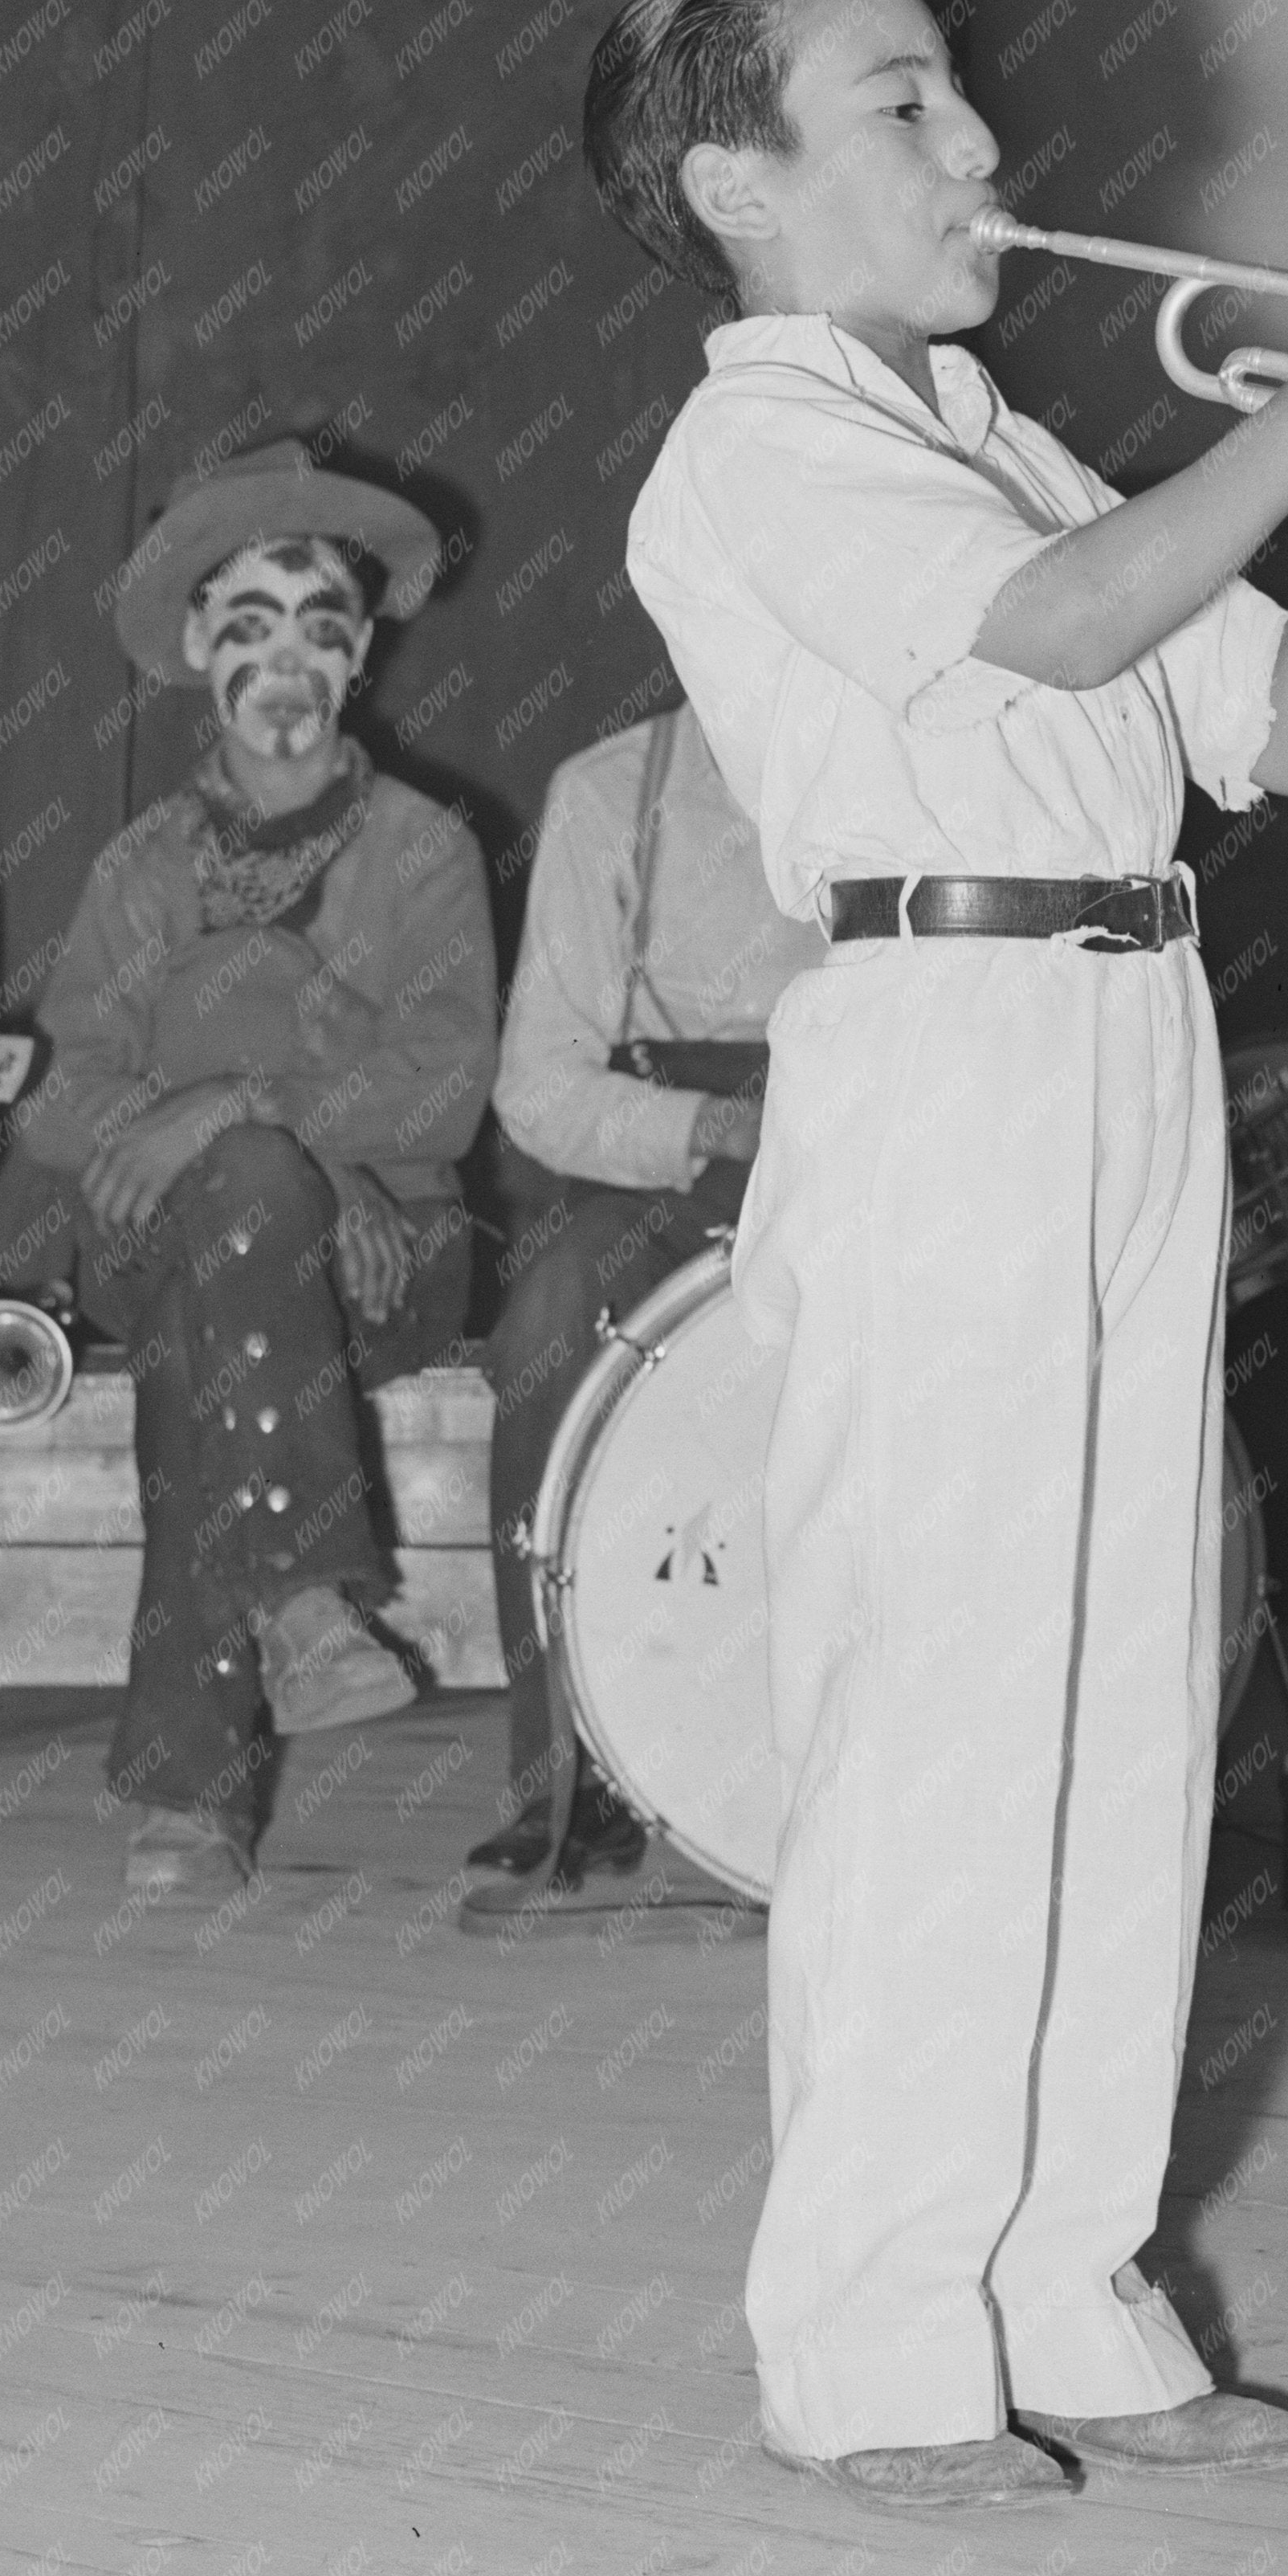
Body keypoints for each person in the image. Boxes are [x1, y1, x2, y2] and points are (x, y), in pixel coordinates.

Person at [594, 0, 1288, 2513]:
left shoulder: (978, 415)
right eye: (900, 107)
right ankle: (869, 2339)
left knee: (1119, 1708)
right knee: (940, 1732)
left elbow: (1281, 732)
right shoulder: (756, 447)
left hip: (1127, 1036)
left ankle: (1071, 2290)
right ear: (736, 178)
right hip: (944, 1056)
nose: (979, 150)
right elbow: (1079, 622)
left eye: (961, 96)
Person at [10, 444, 495, 1904]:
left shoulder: (425, 851)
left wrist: (245, 1110)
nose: (287, 659)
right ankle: (298, 1599)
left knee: (229, 1254)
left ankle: (193, 1791)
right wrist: (266, 1161)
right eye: (250, 625)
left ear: (359, 663)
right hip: (171, 1245)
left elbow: (453, 1083)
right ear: (196, 657)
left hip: (388, 1251)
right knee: (237, 1226)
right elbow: (54, 1104)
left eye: (321, 628)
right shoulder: (139, 868)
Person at [463, 701, 821, 1910]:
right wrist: (714, 1127)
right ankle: (565, 1770)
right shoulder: (610, 789)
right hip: (680, 1148)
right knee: (548, 1319)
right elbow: (538, 1087)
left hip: (873, 1126)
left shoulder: (917, 752)